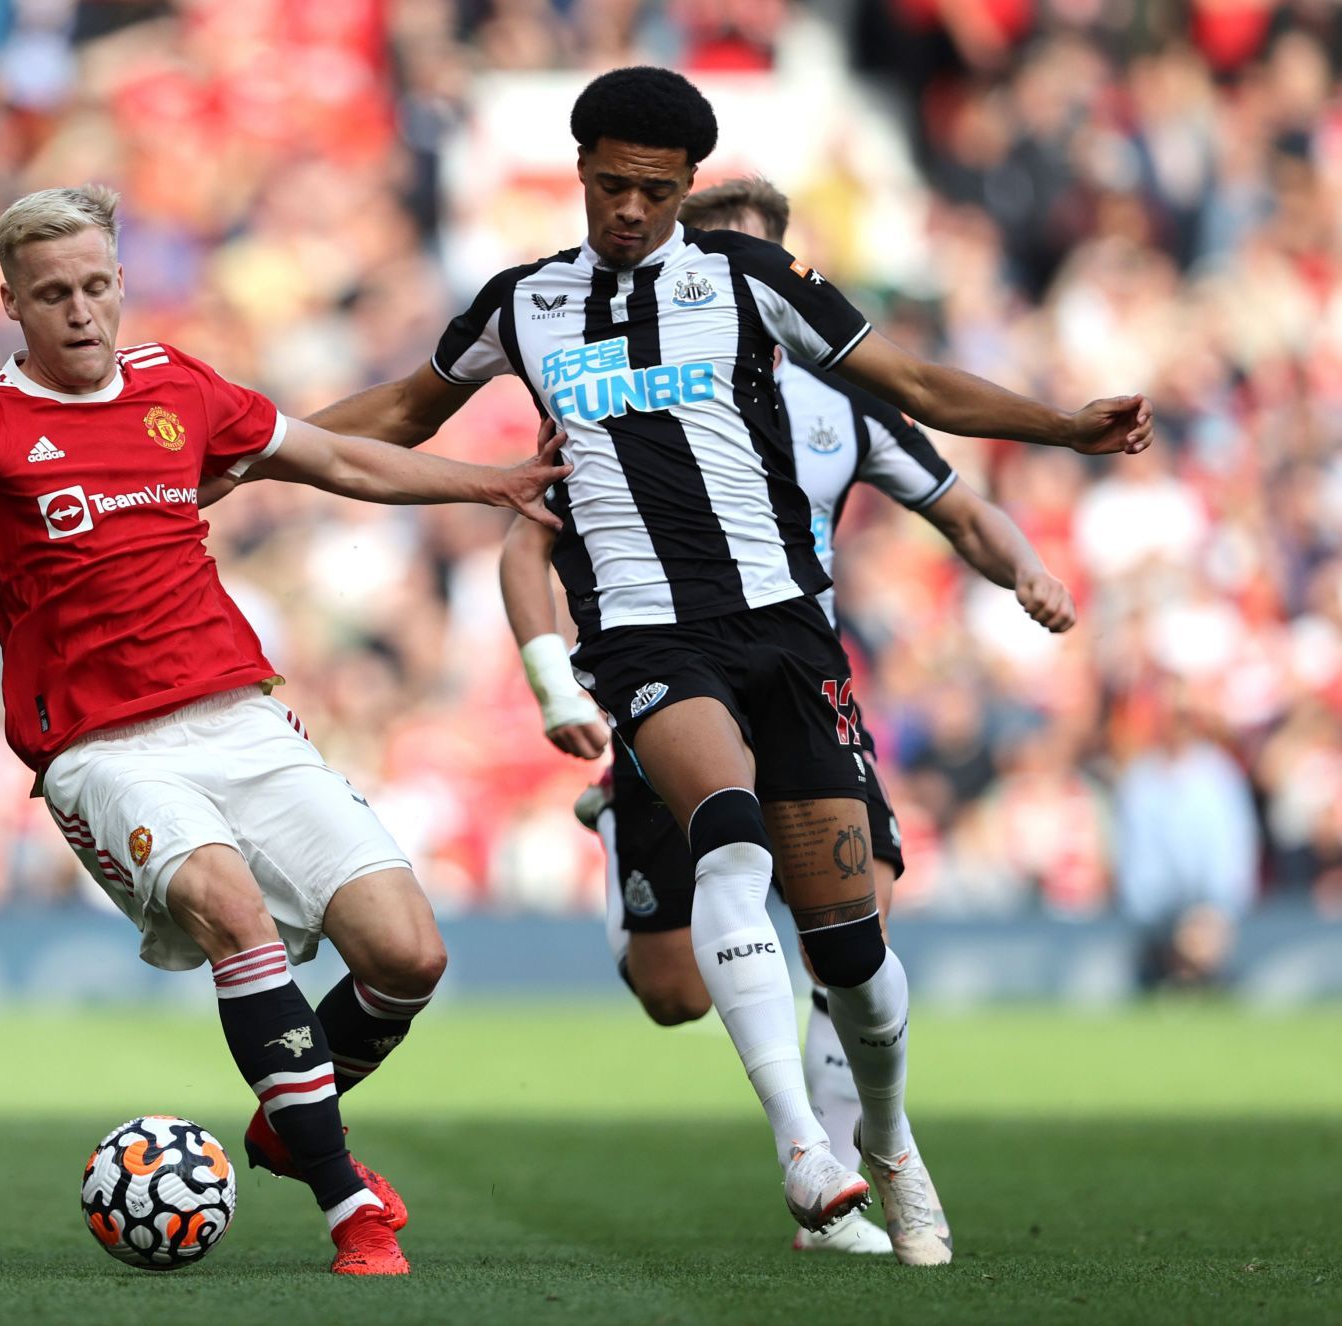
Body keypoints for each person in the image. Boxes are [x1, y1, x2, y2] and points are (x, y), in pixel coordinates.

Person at [293, 67, 1152, 1265]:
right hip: (647, 637)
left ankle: (889, 1145)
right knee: (728, 832)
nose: (630, 210)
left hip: (786, 628)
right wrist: (255, 447)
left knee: (853, 951)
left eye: (653, 190)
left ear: (688, 190)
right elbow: (402, 408)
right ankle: (804, 1145)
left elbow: (907, 383)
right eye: (609, 186)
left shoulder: (748, 282)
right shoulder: (522, 303)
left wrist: (1059, 426)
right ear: (579, 174)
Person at [0, 185, 570, 1277]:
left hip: (241, 714)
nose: (81, 312)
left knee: (409, 955)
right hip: (100, 750)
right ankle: (346, 1203)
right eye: (53, 294)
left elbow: (339, 458)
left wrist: (494, 483)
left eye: (95, 286)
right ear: (11, 305)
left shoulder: (179, 388)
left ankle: (288, 1121)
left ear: (120, 283)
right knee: (232, 909)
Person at [501, 175, 1080, 1255]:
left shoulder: (839, 401)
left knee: (853, 937)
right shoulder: (605, 379)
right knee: (672, 992)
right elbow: (523, 532)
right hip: (662, 657)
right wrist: (545, 676)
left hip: (794, 662)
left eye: (744, 255)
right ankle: (638, 821)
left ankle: (863, 1153)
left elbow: (957, 504)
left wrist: (1028, 568)